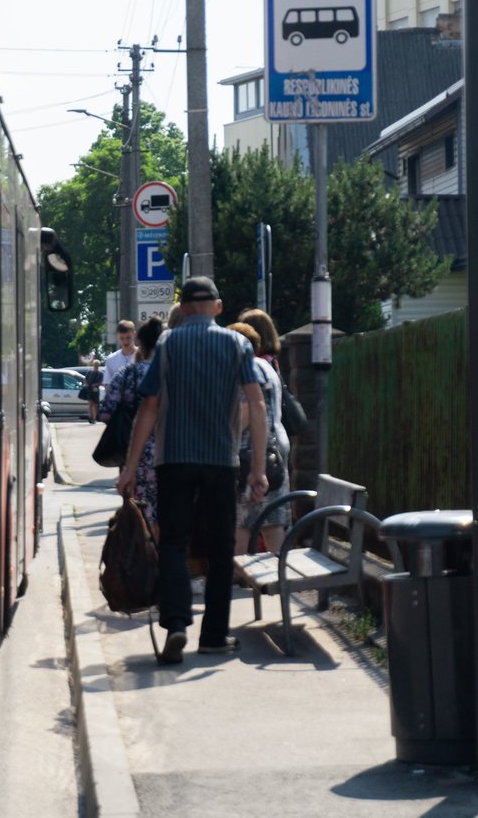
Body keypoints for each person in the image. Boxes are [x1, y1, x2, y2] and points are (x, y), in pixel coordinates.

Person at [117, 276, 267, 664]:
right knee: (220, 549)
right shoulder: (238, 344)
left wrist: (130, 468)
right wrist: (258, 469)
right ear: (218, 308)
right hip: (222, 460)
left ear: (183, 309)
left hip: (174, 460)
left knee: (174, 544)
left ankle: (178, 624)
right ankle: (215, 635)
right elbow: (257, 403)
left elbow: (148, 407)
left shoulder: (167, 344)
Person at [228, 321, 288, 556]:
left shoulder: (246, 371)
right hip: (275, 451)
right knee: (273, 522)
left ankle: (238, 578)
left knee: (242, 522)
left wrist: (222, 439)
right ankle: (282, 575)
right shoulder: (267, 368)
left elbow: (245, 414)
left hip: (249, 454)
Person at [99, 316, 164, 532]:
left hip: (137, 454)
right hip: (176, 452)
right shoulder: (176, 372)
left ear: (141, 344)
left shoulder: (127, 374)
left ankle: (147, 557)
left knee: (141, 511)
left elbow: (105, 412)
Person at [102, 320, 137, 390]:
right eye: (122, 338)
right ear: (117, 336)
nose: (125, 341)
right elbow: (107, 385)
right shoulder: (111, 359)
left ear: (134, 334)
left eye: (128, 338)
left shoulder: (144, 356)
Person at [83, 359, 104, 423]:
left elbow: (101, 382)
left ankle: (94, 418)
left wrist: (95, 385)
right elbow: (85, 379)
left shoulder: (100, 373)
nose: (96, 366)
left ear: (98, 365)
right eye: (95, 364)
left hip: (95, 390)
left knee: (94, 404)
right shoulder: (89, 372)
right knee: (90, 404)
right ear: (93, 365)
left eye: (97, 365)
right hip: (89, 390)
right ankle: (90, 417)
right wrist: (87, 385)